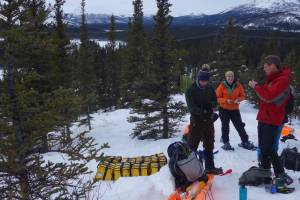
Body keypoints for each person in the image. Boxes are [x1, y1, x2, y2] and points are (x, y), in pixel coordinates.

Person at [248, 55, 293, 185]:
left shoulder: (283, 80)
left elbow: (268, 97)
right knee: (263, 147)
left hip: (272, 119)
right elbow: (266, 97)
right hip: (264, 117)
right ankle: (265, 170)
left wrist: (256, 87)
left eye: (266, 66)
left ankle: (280, 173)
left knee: (268, 147)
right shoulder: (273, 79)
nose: (264, 68)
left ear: (273, 65)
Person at [185, 64, 223, 175]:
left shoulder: (210, 88)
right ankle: (189, 170)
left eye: (205, 81)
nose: (203, 83)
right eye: (201, 81)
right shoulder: (190, 90)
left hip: (208, 120)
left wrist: (211, 106)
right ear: (198, 79)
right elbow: (192, 108)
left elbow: (215, 101)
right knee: (192, 145)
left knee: (209, 143)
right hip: (196, 121)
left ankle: (210, 167)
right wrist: (203, 111)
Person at [216, 71, 256, 151]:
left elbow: (243, 96)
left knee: (239, 126)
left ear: (234, 77)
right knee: (225, 126)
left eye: (231, 76)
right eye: (228, 77)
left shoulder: (238, 85)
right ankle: (226, 143)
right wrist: (226, 101)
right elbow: (217, 98)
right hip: (224, 109)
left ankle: (245, 141)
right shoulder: (222, 86)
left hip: (234, 109)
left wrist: (239, 99)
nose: (230, 78)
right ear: (226, 78)